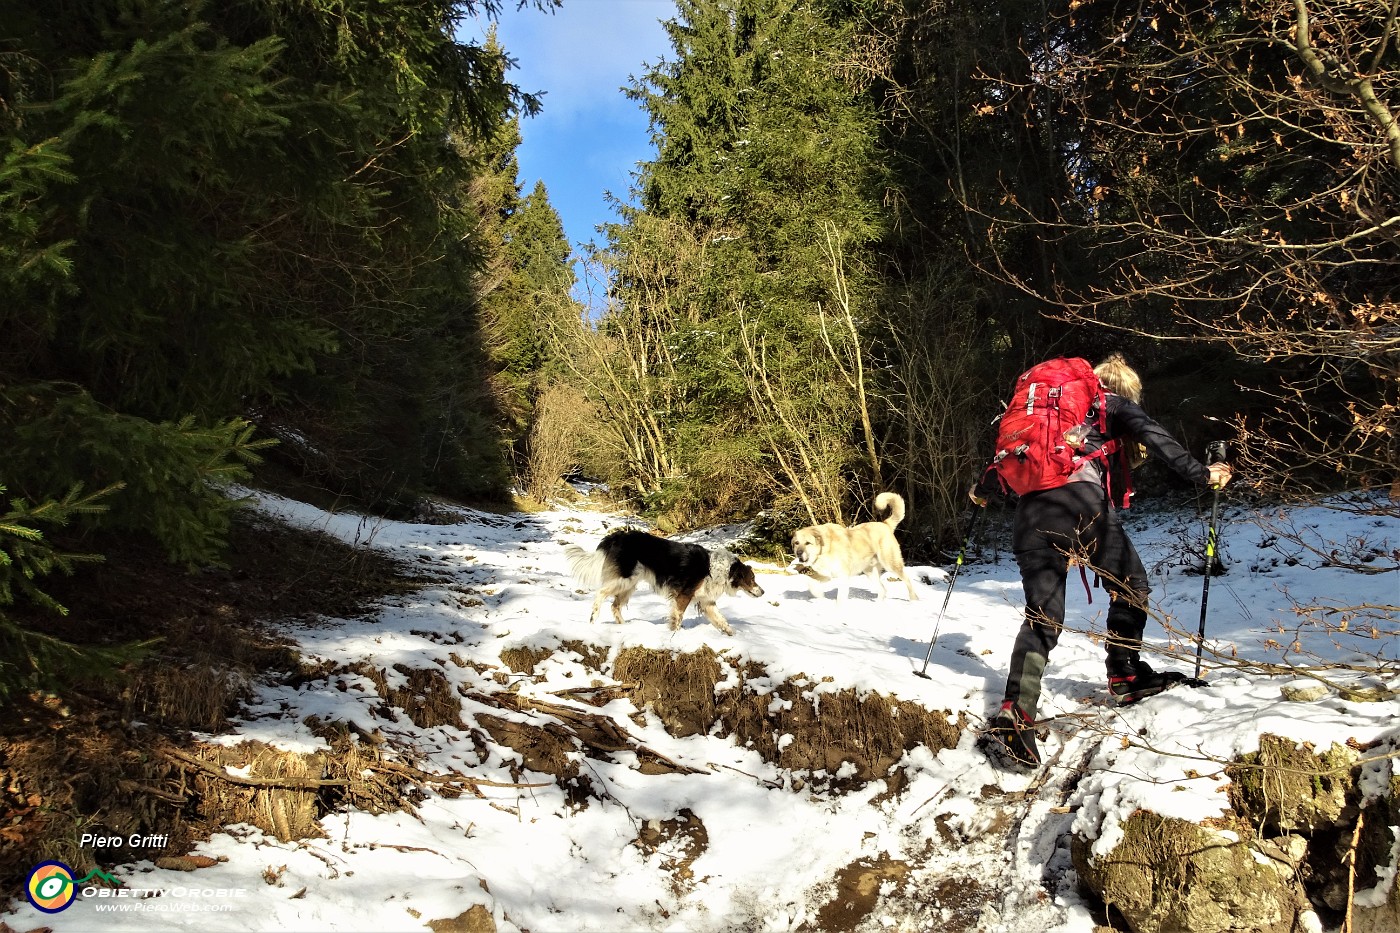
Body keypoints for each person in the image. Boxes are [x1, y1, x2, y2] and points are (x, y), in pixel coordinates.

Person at [970, 353, 1233, 769]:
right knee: (1131, 584)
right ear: (1122, 388)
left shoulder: (1044, 414)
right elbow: (1156, 438)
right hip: (1082, 504)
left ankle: (1015, 715)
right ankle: (1125, 674)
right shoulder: (1112, 404)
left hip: (1031, 515)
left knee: (1043, 616)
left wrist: (983, 491)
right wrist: (1204, 473)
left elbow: (997, 473)